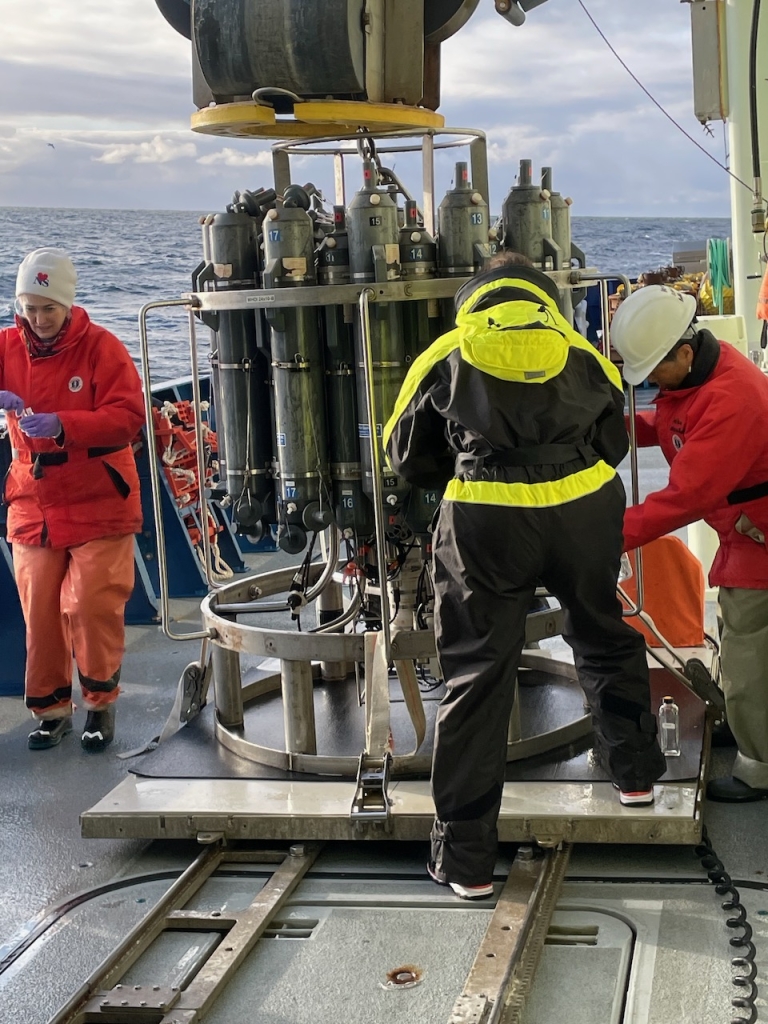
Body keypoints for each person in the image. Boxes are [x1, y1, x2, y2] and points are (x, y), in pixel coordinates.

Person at [383, 252, 666, 900]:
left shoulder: (448, 351)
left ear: (476, 300)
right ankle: (637, 778)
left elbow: (401, 453)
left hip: (488, 518)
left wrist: (457, 476)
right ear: (543, 296)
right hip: (584, 508)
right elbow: (614, 440)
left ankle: (468, 863)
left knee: (479, 674)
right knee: (601, 634)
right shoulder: (577, 348)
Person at [611, 283, 768, 803]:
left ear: (684, 351)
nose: (652, 381)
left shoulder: (733, 398)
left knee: (749, 651)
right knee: (740, 635)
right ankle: (749, 729)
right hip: (745, 529)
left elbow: (686, 497)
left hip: (759, 537)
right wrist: (613, 429)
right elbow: (671, 424)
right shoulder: (703, 367)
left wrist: (605, 537)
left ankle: (758, 769)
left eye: (655, 370)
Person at [0, 248, 144, 751]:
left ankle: (100, 707)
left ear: (67, 305)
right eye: (28, 307)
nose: (37, 319)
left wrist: (65, 424)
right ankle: (51, 710)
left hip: (98, 494)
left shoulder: (103, 347)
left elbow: (129, 416)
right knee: (39, 608)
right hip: (33, 499)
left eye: (48, 308)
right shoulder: (5, 346)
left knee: (90, 606)